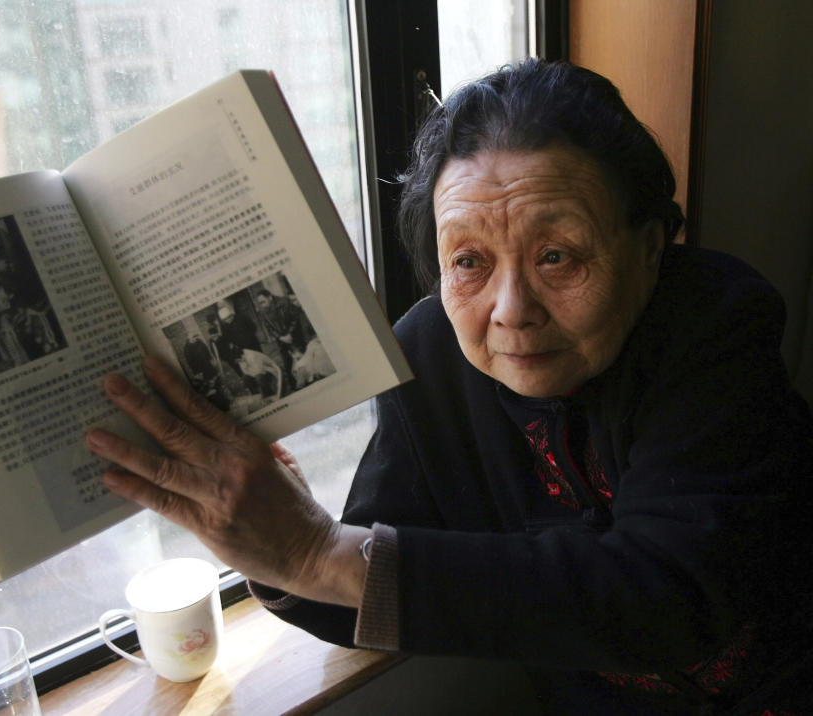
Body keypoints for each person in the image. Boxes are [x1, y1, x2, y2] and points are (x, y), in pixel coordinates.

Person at [85, 58, 813, 714]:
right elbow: (365, 587)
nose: (511, 311)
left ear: (650, 248)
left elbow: (667, 593)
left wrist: (319, 553)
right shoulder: (427, 357)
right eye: (468, 262)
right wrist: (270, 546)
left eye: (557, 255)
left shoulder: (714, 326)